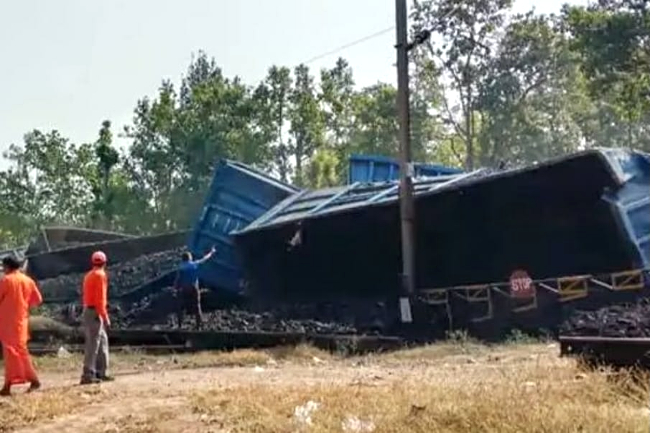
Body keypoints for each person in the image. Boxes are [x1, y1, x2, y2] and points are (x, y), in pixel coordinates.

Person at [0, 256, 42, 396]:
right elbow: (37, 300)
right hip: (21, 321)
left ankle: (11, 384)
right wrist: (22, 305)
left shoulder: (6, 280)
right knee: (19, 351)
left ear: (7, 266)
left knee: (12, 353)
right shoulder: (28, 280)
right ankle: (14, 382)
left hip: (8, 323)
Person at [80, 251, 113, 385]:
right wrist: (105, 317)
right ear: (105, 263)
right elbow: (101, 299)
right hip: (95, 312)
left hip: (89, 310)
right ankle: (88, 374)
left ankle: (101, 371)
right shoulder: (100, 276)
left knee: (102, 342)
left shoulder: (89, 275)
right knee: (93, 344)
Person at [174, 247, 216, 330]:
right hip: (194, 288)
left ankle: (179, 325)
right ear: (190, 258)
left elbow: (177, 279)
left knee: (181, 307)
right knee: (197, 306)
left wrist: (175, 288)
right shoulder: (194, 264)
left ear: (183, 259)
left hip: (184, 289)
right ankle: (198, 325)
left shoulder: (181, 267)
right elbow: (204, 259)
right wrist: (212, 252)